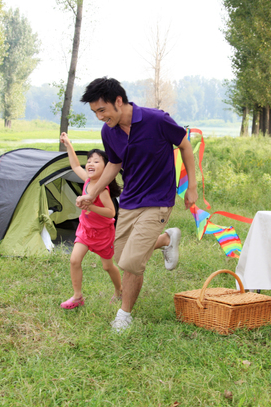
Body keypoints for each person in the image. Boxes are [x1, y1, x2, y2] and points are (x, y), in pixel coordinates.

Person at [74, 77, 198, 333]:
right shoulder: (109, 131)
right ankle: (166, 240)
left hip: (158, 199)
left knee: (131, 263)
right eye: (95, 112)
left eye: (102, 110)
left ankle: (124, 315)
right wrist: (92, 193)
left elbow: (185, 145)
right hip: (130, 200)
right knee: (121, 256)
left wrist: (192, 187)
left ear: (118, 101)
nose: (100, 117)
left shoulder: (157, 120)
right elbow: (114, 163)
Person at [58, 133, 123, 309]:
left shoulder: (102, 190)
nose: (90, 164)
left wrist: (90, 206)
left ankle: (119, 290)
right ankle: (77, 297)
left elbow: (111, 212)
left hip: (103, 233)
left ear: (106, 168)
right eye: (89, 161)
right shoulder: (87, 180)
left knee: (107, 266)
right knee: (74, 260)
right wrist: (69, 144)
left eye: (96, 161)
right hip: (85, 230)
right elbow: (74, 165)